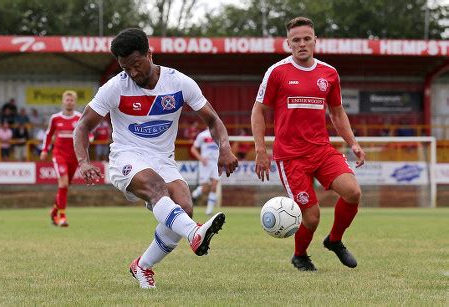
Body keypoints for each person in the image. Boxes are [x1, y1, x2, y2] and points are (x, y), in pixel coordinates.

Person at [73, 28, 238, 289]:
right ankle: (195, 233)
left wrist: (225, 147)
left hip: (163, 158)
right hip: (126, 155)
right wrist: (84, 161)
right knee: (157, 189)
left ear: (150, 54)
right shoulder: (115, 87)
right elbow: (83, 126)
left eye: (136, 65)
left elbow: (213, 120)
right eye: (126, 68)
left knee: (184, 207)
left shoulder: (179, 83)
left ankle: (142, 266)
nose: (133, 73)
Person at [251, 17, 366, 272]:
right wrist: (261, 149)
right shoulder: (277, 72)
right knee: (311, 217)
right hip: (291, 157)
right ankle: (300, 255)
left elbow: (337, 113)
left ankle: (335, 240)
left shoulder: (329, 73)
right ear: (287, 44)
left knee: (353, 192)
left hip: (322, 150)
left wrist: (353, 143)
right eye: (296, 40)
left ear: (315, 40)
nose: (302, 44)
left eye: (306, 39)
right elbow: (258, 111)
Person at [40, 90, 82, 227]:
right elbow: (48, 134)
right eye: (67, 100)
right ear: (63, 102)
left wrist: (89, 137)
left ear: (75, 102)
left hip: (74, 157)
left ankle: (53, 212)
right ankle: (62, 217)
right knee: (63, 183)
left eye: (72, 100)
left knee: (65, 186)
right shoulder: (55, 118)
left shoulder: (80, 118)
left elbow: (86, 132)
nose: (69, 102)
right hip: (59, 155)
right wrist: (45, 150)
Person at [190, 128, 220, 215]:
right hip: (205, 164)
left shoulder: (219, 134)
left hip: (216, 163)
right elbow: (193, 149)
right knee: (205, 188)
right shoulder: (202, 135)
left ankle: (209, 211)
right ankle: (194, 195)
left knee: (214, 186)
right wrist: (201, 158)